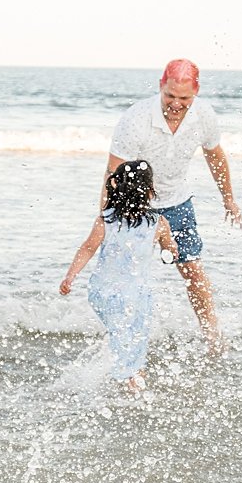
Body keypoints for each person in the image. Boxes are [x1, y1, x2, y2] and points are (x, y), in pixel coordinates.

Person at [104, 59, 241, 354]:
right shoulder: (136, 118)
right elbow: (113, 174)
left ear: (196, 92)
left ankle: (213, 338)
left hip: (178, 203)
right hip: (137, 209)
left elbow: (215, 156)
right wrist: (106, 219)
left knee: (193, 269)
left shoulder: (204, 115)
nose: (176, 104)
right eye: (170, 96)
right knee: (125, 277)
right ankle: (121, 342)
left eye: (184, 98)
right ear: (160, 87)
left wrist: (228, 198)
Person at [60, 160, 177, 390]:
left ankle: (130, 377)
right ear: (150, 190)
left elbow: (87, 248)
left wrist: (71, 276)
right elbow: (170, 249)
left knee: (127, 335)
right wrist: (170, 250)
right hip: (131, 295)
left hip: (106, 293)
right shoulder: (158, 223)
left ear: (116, 186)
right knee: (132, 335)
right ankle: (129, 380)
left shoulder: (107, 219)